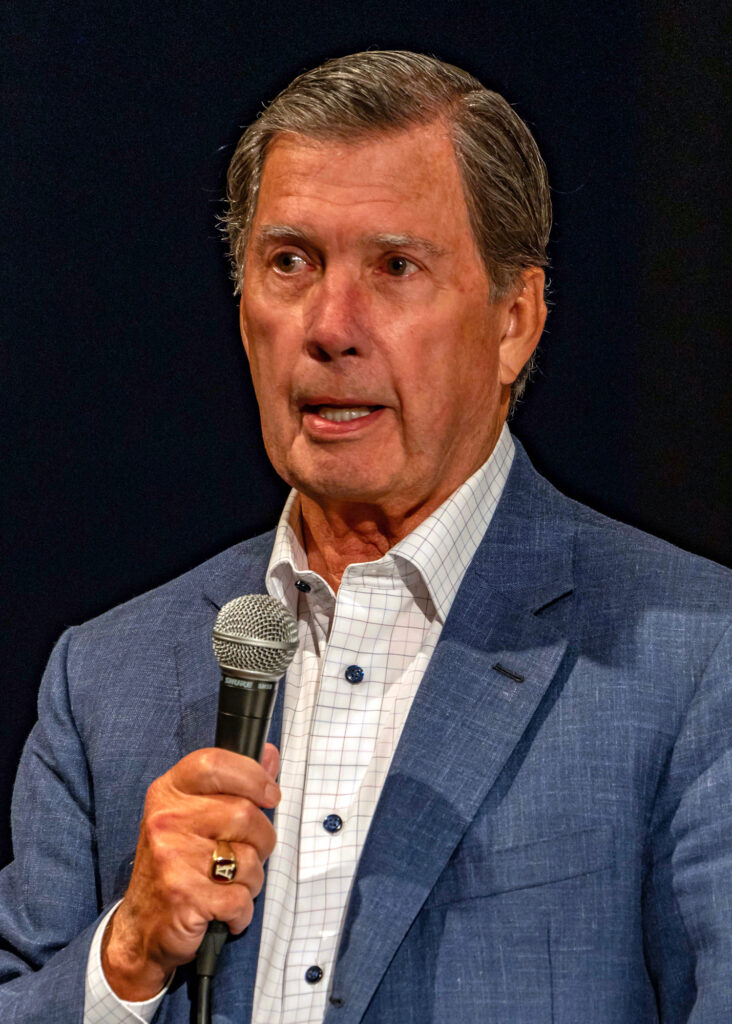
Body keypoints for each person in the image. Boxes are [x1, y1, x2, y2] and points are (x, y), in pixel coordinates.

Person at [0, 50, 730, 1024]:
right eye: (291, 262)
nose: (331, 327)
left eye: (395, 267)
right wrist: (125, 958)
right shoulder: (103, 678)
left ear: (515, 321)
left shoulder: (696, 659)